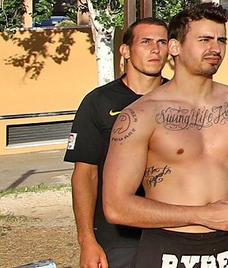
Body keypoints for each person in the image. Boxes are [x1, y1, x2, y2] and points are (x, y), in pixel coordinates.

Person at [103, 2, 228, 268]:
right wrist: (202, 215)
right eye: (204, 39)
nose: (215, 48)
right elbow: (116, 206)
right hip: (168, 250)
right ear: (174, 47)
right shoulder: (141, 115)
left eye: (221, 40)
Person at [68, 17, 170, 268]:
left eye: (162, 42)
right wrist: (87, 240)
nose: (155, 49)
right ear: (125, 50)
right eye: (145, 42)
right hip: (118, 239)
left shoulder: (183, 100)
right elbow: (85, 175)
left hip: (174, 234)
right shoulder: (98, 102)